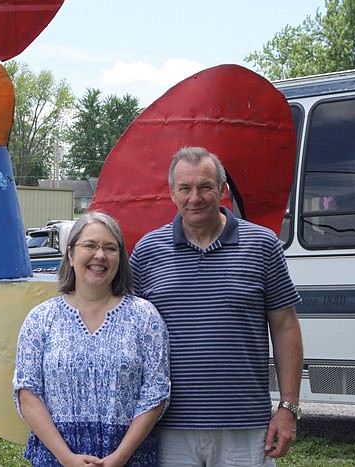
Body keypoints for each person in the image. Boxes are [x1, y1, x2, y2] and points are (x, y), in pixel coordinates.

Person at [130, 147, 304, 466]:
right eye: (185, 188)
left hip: (246, 428)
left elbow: (285, 326)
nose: (194, 197)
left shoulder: (262, 245)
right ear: (171, 192)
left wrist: (288, 406)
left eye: (205, 186)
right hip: (168, 426)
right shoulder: (147, 252)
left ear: (222, 189)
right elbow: (127, 335)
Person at [13, 211, 170, 466]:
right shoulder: (41, 318)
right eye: (90, 245)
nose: (100, 255)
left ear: (120, 258)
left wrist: (119, 457)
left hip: (129, 458)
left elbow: (157, 391)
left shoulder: (144, 317)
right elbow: (27, 391)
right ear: (71, 254)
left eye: (110, 248)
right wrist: (67, 457)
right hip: (56, 458)